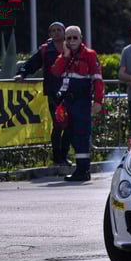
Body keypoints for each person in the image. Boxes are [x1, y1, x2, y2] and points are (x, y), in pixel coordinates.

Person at [50, 26, 104, 181]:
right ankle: (80, 169)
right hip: (69, 102)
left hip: (82, 101)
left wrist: (98, 101)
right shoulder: (65, 56)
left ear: (81, 39)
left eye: (75, 38)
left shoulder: (89, 55)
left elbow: (98, 79)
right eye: (69, 38)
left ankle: (83, 170)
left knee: (82, 135)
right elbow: (56, 71)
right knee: (73, 135)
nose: (72, 41)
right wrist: (65, 55)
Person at [14, 21, 71, 166]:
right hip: (53, 93)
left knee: (70, 125)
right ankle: (57, 158)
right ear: (50, 34)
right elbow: (31, 64)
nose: (56, 32)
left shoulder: (72, 46)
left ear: (65, 32)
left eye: (59, 30)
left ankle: (64, 156)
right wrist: (22, 74)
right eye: (53, 30)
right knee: (58, 125)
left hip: (71, 92)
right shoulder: (45, 49)